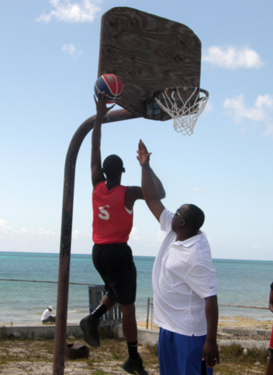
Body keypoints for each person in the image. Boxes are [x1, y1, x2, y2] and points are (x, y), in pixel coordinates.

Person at [80, 94, 165, 375]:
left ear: (103, 172)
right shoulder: (127, 192)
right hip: (117, 252)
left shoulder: (96, 185)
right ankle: (133, 358)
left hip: (98, 253)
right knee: (128, 307)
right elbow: (159, 194)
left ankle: (92, 320)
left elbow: (95, 147)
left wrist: (99, 116)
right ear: (123, 171)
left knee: (116, 292)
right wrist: (145, 165)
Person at [137, 140, 219, 375]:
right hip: (168, 327)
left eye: (178, 212)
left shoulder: (196, 256)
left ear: (182, 222)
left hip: (190, 334)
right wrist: (145, 166)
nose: (172, 213)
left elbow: (211, 299)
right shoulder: (176, 231)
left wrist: (210, 342)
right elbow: (152, 199)